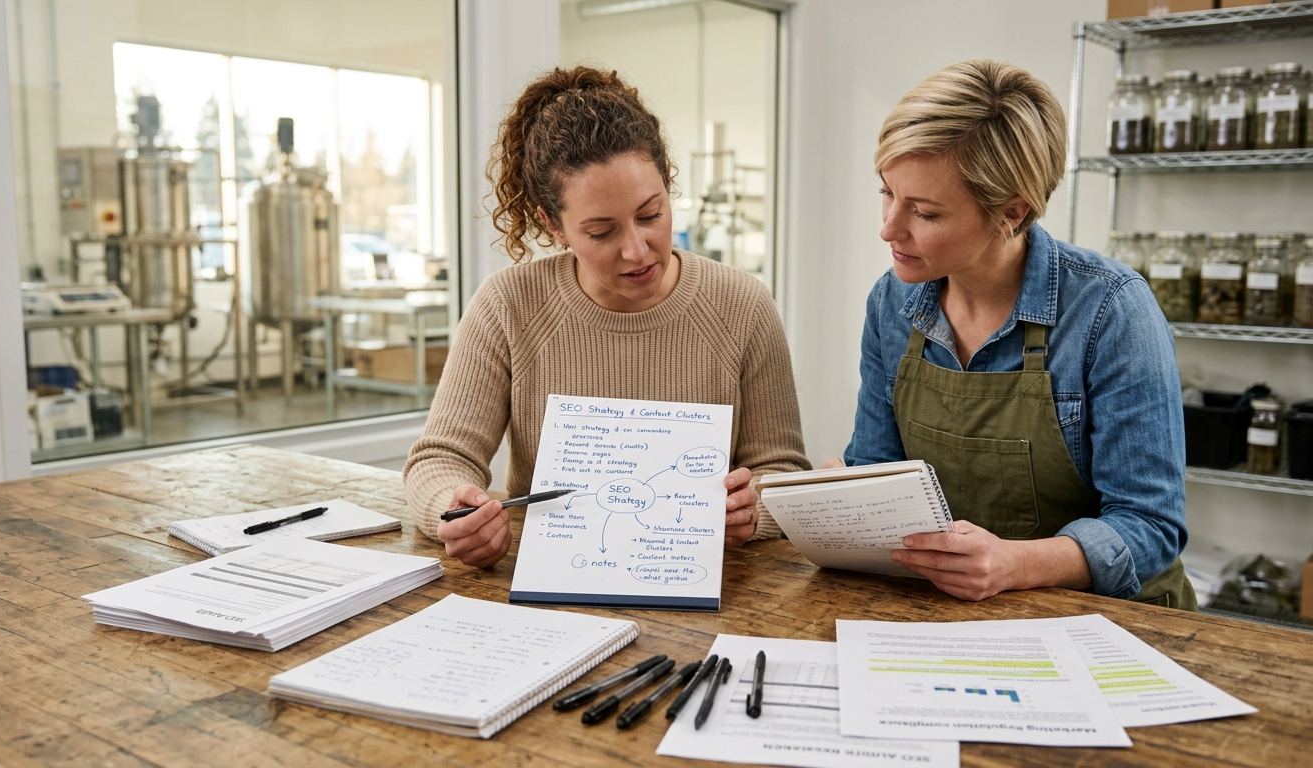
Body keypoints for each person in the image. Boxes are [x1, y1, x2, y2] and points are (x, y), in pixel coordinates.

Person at [404, 66, 809, 569]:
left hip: (702, 583)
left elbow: (781, 471)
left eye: (650, 215)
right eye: (601, 232)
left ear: (668, 186)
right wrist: (453, 510)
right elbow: (439, 459)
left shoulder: (742, 305)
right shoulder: (509, 304)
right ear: (554, 225)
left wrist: (756, 510)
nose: (637, 251)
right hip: (552, 587)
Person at [839, 60, 1196, 609]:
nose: (888, 228)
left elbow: (1149, 523)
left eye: (925, 213)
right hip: (955, 611)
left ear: (1012, 212)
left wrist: (1013, 563)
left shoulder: (1110, 311)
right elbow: (876, 472)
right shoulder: (892, 302)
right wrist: (842, 501)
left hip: (1113, 624)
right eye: (886, 193)